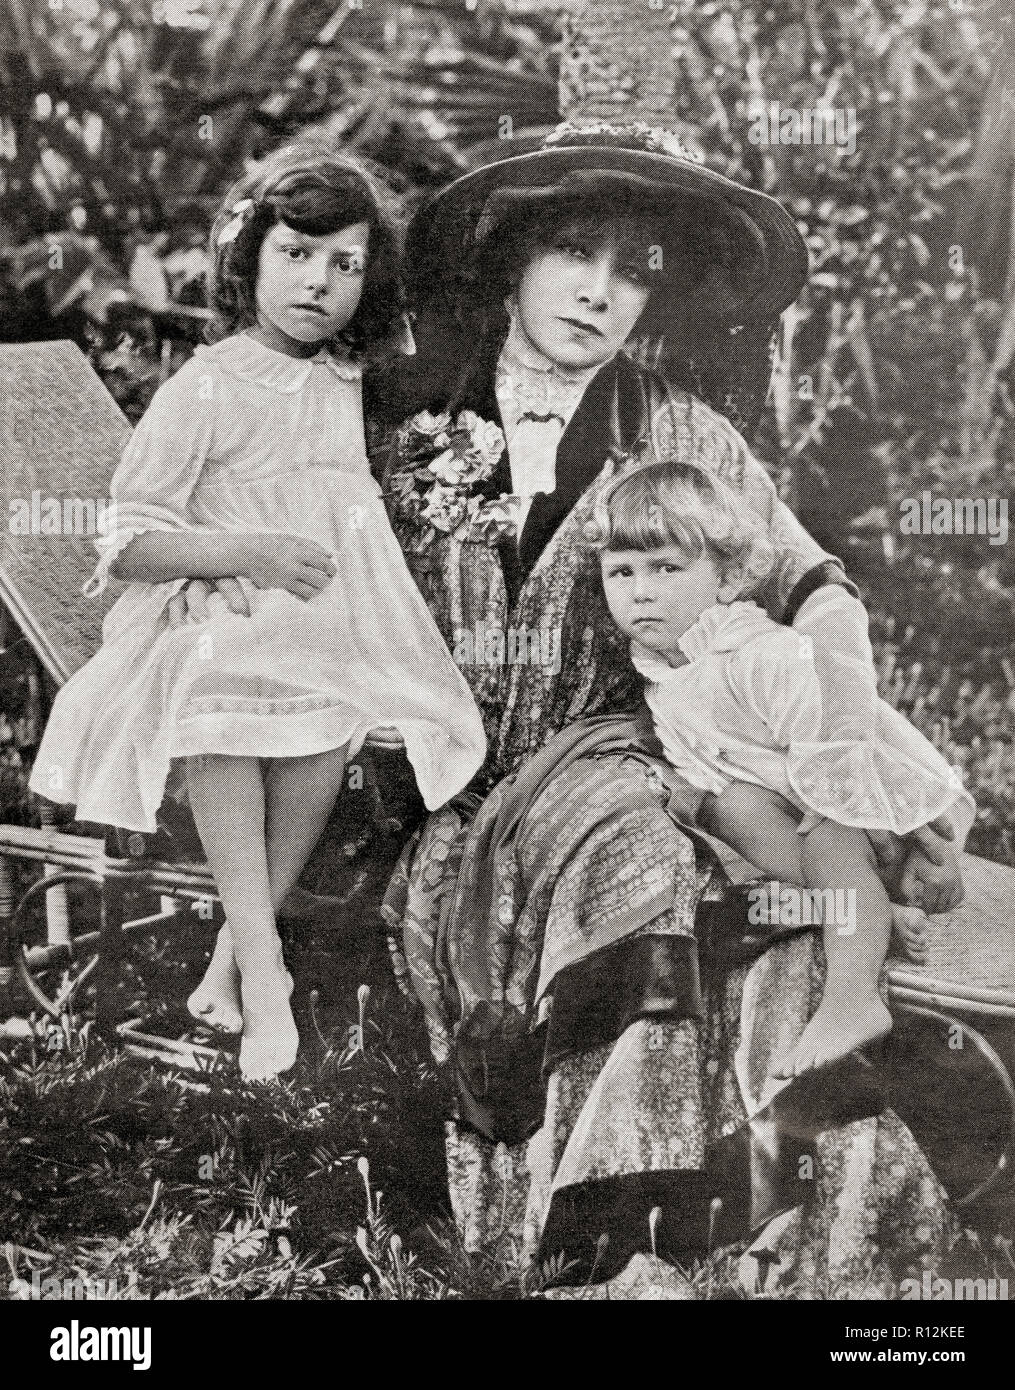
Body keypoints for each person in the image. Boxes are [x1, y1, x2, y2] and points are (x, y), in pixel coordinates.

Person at [29, 143, 486, 1082]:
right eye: (295, 254)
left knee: (331, 711)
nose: (317, 283)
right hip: (220, 607)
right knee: (220, 685)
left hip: (337, 616)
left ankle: (234, 961)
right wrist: (241, 551)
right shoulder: (210, 385)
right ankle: (264, 971)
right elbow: (127, 540)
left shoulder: (356, 384)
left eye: (344, 264)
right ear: (250, 261)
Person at [591, 457, 974, 1078]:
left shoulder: (759, 653)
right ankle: (864, 911)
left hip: (869, 809)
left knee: (826, 829)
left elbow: (838, 749)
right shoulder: (661, 671)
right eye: (622, 572)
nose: (641, 590)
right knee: (731, 808)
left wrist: (907, 837)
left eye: (667, 568)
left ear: (724, 578)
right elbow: (710, 776)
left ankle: (854, 996)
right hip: (801, 819)